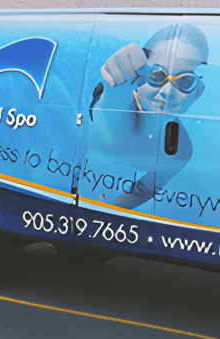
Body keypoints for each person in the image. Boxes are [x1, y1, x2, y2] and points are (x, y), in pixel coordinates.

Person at [87, 23, 208, 209]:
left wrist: (104, 217)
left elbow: (142, 191)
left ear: (197, 93)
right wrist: (117, 79)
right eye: (158, 76)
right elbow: (111, 103)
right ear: (139, 76)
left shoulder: (181, 152)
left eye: (185, 81)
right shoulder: (122, 105)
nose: (168, 91)